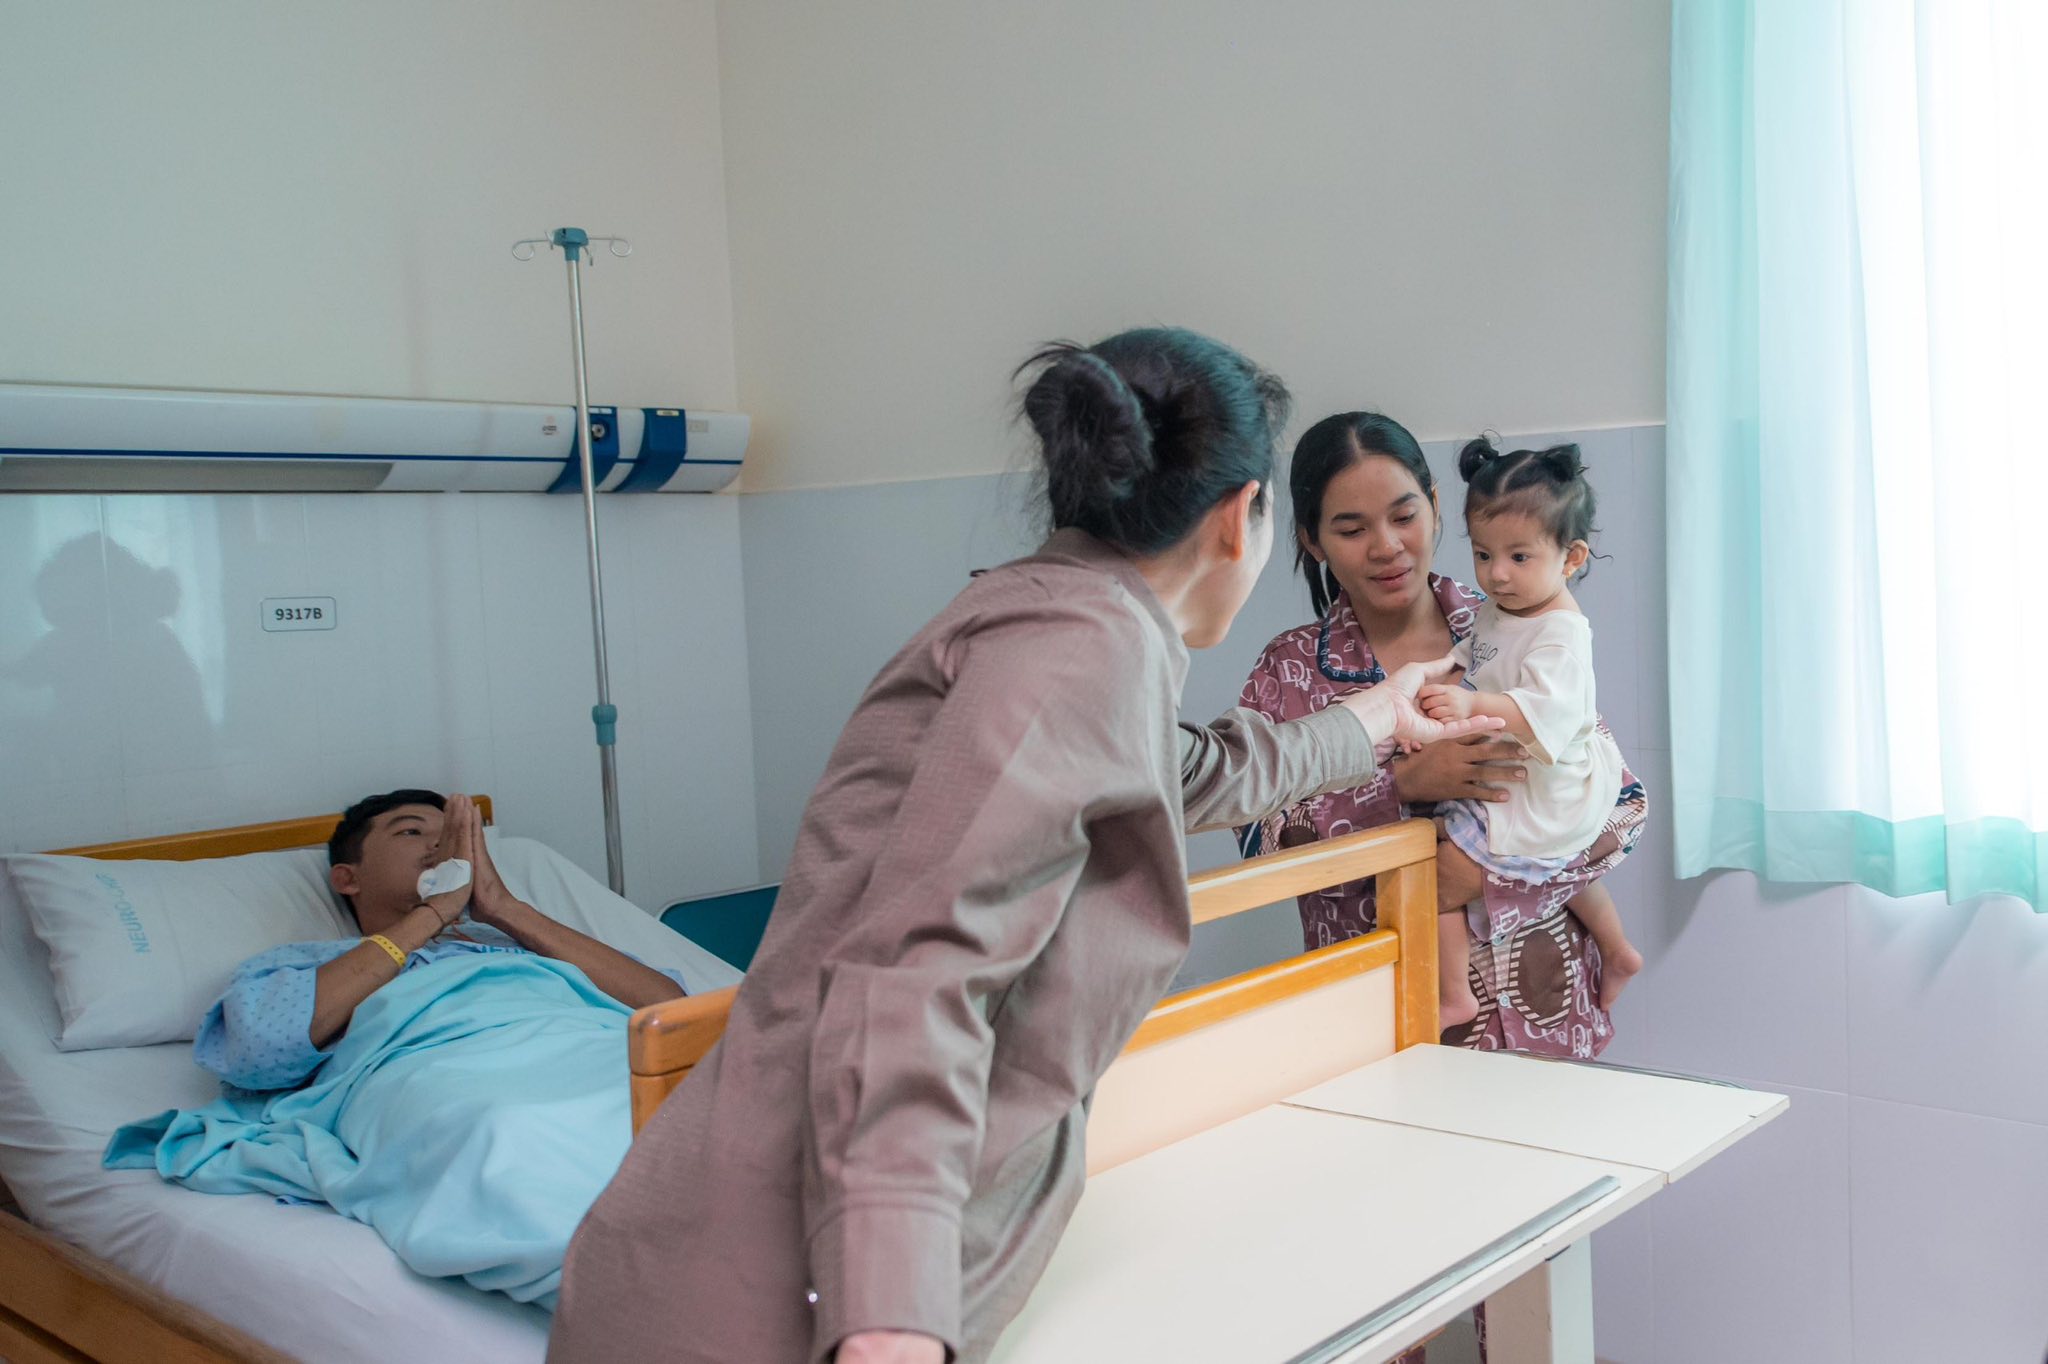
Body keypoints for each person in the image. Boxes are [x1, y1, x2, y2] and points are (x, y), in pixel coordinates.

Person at [548, 329, 1501, 1364]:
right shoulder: (1076, 649)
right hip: (772, 1294)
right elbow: (914, 976)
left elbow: (1182, 770)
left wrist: (1379, 715)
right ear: (1242, 518)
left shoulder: (1069, 616)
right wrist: (890, 1321)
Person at [1239, 411, 1647, 1060]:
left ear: (1434, 508)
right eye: (1352, 528)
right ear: (1313, 541)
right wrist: (1397, 787)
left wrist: (1486, 875)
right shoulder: (1289, 672)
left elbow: (1622, 807)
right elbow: (1260, 845)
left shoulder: (1518, 622)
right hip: (1384, 1022)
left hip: (1547, 1009)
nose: (1386, 546)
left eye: (1404, 516)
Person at [195, 789, 684, 1090]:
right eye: (411, 832)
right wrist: (435, 911)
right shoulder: (310, 966)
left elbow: (672, 1010)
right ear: (348, 878)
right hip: (469, 1087)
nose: (439, 845)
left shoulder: (516, 941)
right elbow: (260, 1049)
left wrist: (504, 908)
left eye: (453, 835)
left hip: (604, 1067)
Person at [1417, 437, 1643, 1026]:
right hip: (1528, 776)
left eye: (1519, 557)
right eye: (1483, 554)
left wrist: (1471, 704)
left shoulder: (1561, 634)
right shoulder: (1508, 606)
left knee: (1434, 881)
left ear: (1571, 559)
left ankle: (1454, 995)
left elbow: (1542, 712)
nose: (1496, 574)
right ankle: (1617, 948)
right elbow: (1476, 651)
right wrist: (1440, 676)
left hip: (1547, 783)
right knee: (1552, 862)